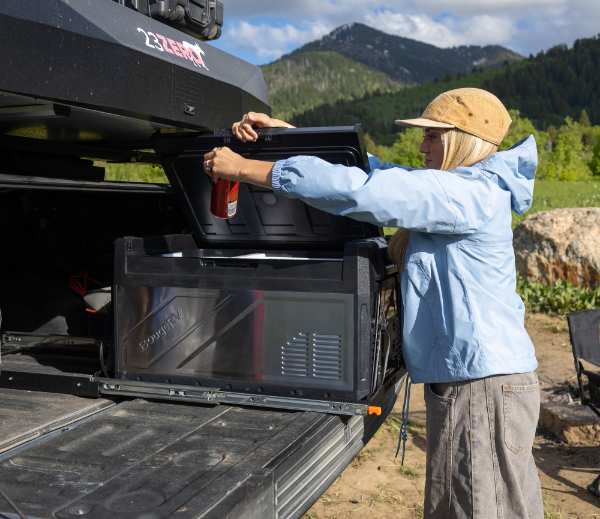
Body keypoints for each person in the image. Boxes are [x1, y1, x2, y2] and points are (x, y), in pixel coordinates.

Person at [203, 88, 543, 519]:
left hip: (482, 388)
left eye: (432, 137)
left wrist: (249, 168)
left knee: (482, 508)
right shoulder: (461, 190)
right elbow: (374, 172)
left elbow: (365, 190)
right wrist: (293, 137)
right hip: (472, 384)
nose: (422, 146)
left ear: (463, 140)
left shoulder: (467, 195)